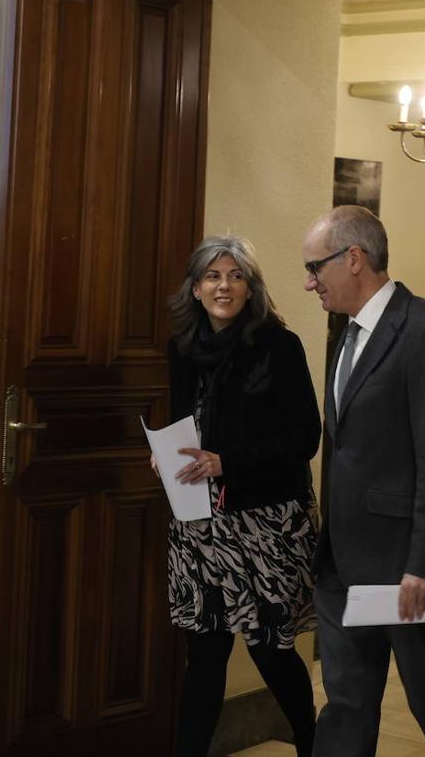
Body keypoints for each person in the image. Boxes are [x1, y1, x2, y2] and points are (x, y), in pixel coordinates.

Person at [301, 206, 425, 757]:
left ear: (354, 258)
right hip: (342, 562)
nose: (310, 282)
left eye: (315, 267)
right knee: (345, 704)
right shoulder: (345, 336)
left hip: (408, 567)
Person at [162, 234, 322, 757]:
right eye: (212, 276)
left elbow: (304, 439)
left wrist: (226, 463)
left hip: (269, 523)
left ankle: (311, 744)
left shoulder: (279, 344)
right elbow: (185, 421)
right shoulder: (182, 348)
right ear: (194, 288)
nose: (223, 286)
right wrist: (167, 453)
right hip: (200, 523)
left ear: (251, 289)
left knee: (271, 650)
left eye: (235, 276)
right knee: (204, 652)